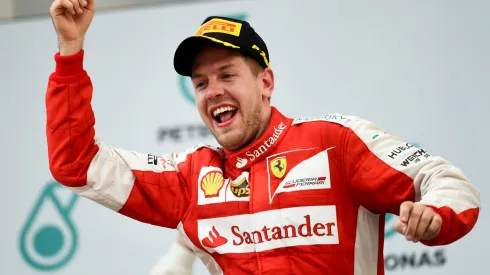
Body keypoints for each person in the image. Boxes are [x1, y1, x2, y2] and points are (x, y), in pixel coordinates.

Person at [46, 0, 480, 274]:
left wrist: (436, 214)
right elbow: (77, 166)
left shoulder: (337, 143)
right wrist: (70, 52)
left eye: (227, 75)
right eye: (200, 82)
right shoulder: (189, 178)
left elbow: (446, 181)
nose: (213, 90)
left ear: (266, 82)